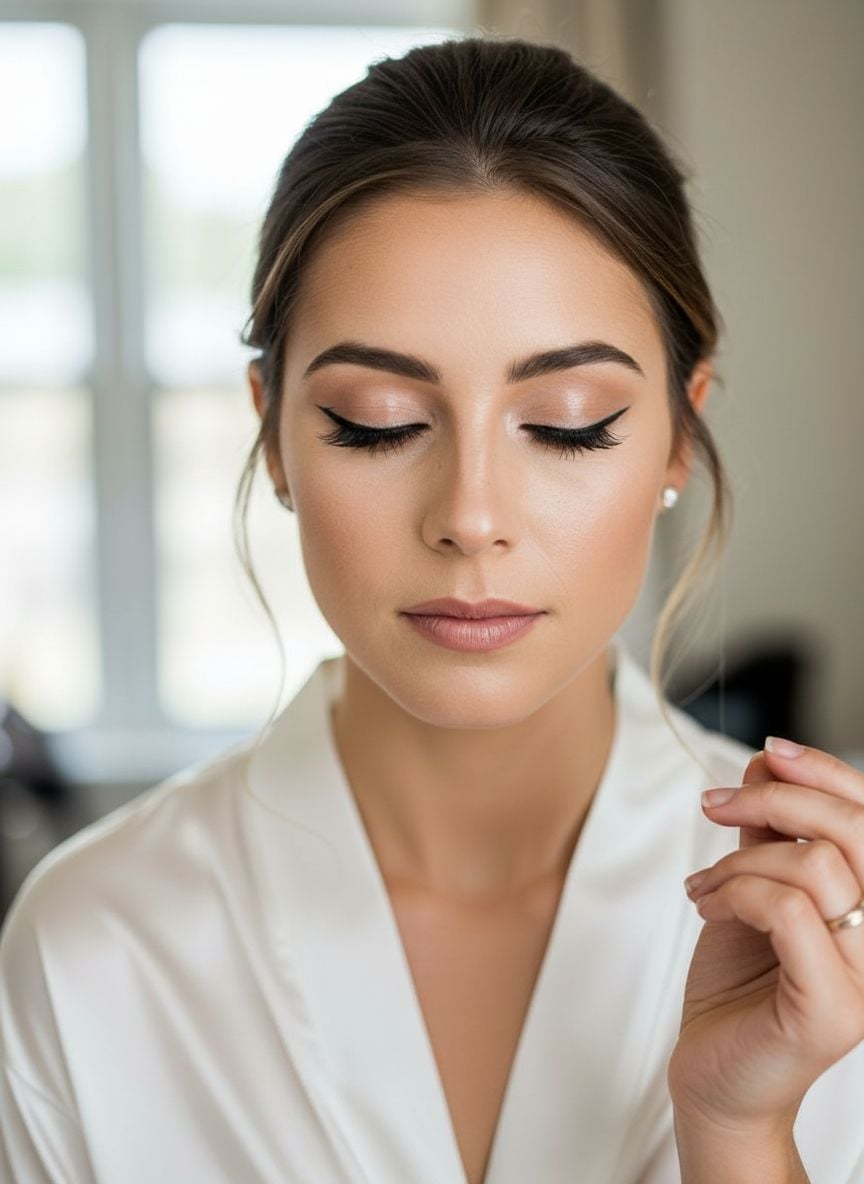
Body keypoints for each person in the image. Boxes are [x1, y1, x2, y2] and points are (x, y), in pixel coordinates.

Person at [1, 34, 863, 1184]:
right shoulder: (95, 941)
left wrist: (742, 1136)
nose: (470, 515)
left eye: (564, 422)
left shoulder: (833, 933)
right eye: (375, 420)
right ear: (275, 437)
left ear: (678, 430)